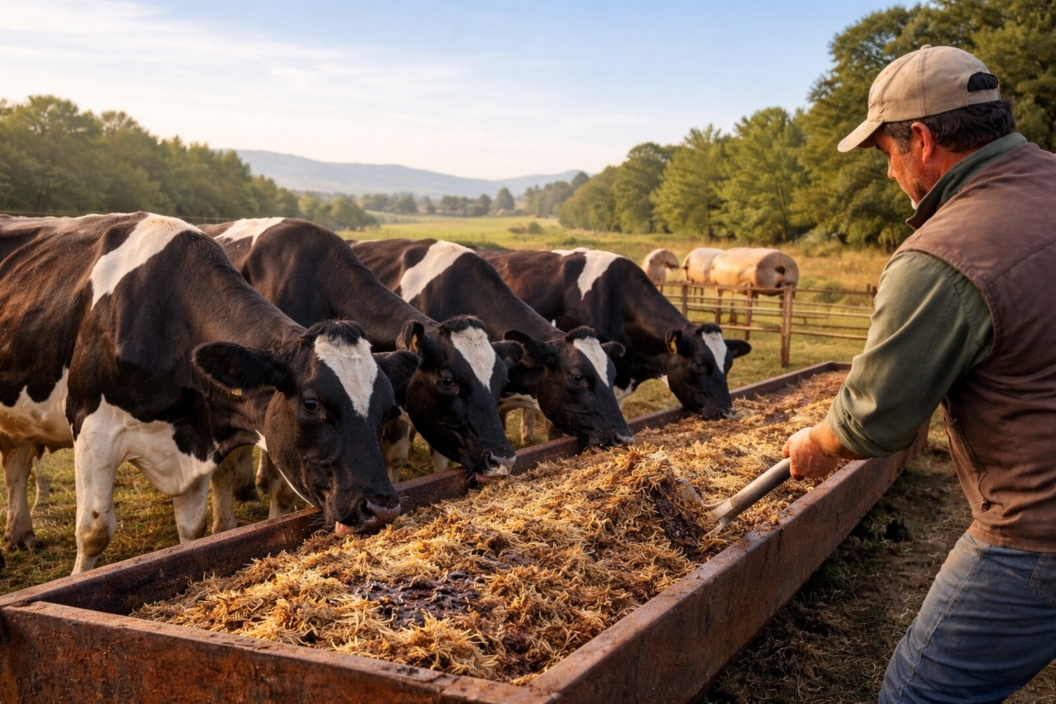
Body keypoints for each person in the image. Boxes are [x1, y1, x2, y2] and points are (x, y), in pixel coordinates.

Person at [782, 45, 1056, 703]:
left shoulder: (944, 253)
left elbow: (876, 420)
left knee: (918, 693)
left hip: (1038, 532)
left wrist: (816, 443)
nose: (888, 174)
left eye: (885, 153)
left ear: (922, 140)